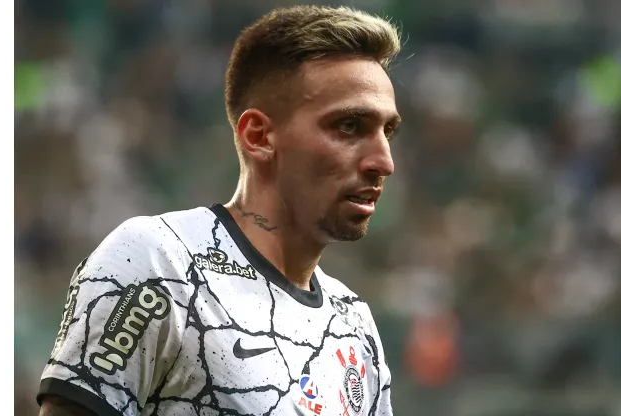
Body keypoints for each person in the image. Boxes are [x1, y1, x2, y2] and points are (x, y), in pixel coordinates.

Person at [37, 5, 402, 416]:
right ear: (259, 136)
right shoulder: (159, 262)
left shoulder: (356, 327)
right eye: (349, 126)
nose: (383, 161)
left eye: (387, 131)